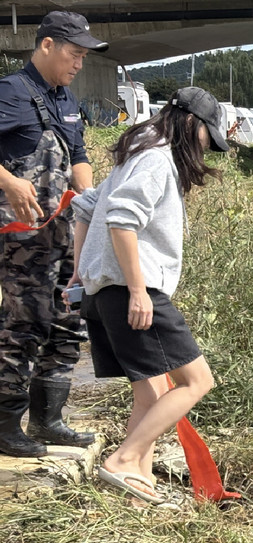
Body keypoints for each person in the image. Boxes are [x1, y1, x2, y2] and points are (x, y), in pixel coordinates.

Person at [68, 86, 230, 504]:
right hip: (132, 291)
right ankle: (124, 460)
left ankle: (139, 478)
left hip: (104, 291)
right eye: (207, 137)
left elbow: (85, 208)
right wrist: (138, 290)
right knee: (196, 381)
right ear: (191, 124)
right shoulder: (156, 160)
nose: (207, 148)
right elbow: (122, 221)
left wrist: (80, 273)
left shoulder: (135, 155)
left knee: (152, 392)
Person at [0, 11, 108, 457]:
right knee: (22, 324)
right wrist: (8, 180)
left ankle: (49, 420)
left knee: (67, 320)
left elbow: (78, 156)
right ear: (46, 45)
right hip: (22, 238)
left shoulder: (65, 98)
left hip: (66, 234)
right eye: (74, 53)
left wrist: (93, 199)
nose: (79, 63)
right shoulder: (10, 92)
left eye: (85, 56)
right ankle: (6, 424)